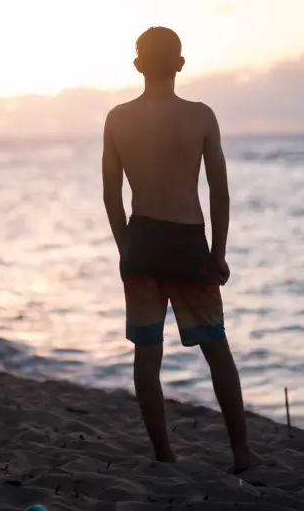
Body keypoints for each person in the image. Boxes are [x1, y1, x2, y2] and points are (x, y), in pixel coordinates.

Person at [102, 26, 257, 473]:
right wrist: (219, 252)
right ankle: (242, 453)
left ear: (137, 66)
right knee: (217, 351)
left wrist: (124, 247)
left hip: (143, 242)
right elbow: (219, 192)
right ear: (181, 64)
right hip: (189, 243)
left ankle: (164, 454)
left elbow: (112, 196)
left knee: (147, 354)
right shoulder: (201, 116)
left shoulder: (117, 118)